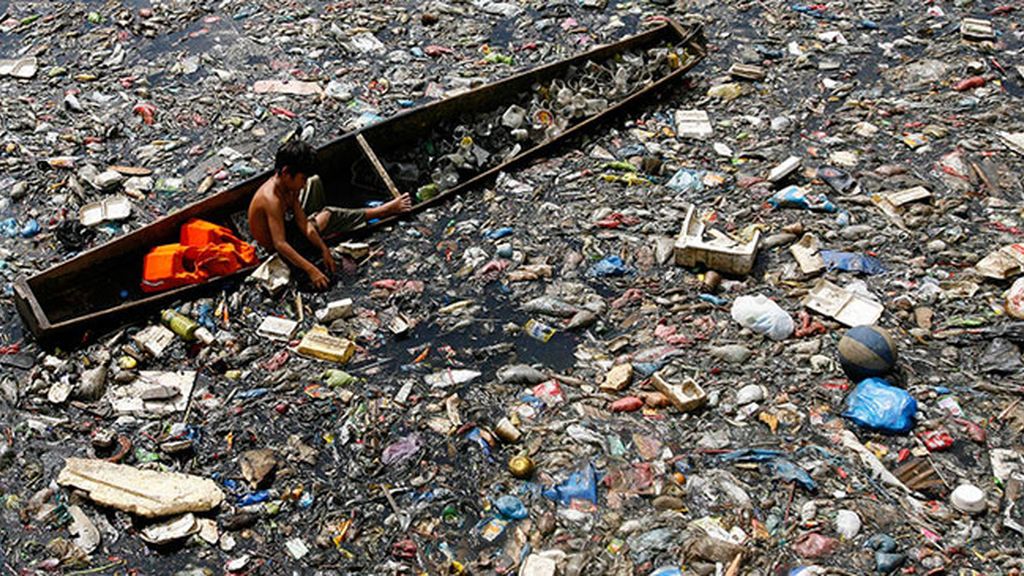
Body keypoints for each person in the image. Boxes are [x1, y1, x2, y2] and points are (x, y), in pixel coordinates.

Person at [248, 140, 412, 289]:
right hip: (279, 244)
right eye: (302, 178)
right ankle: (384, 210)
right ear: (285, 173)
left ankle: (328, 223)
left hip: (289, 226)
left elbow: (303, 223)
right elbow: (280, 244)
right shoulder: (272, 199)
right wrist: (312, 270)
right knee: (329, 215)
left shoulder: (290, 187)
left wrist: (323, 248)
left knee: (315, 183)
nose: (303, 184)